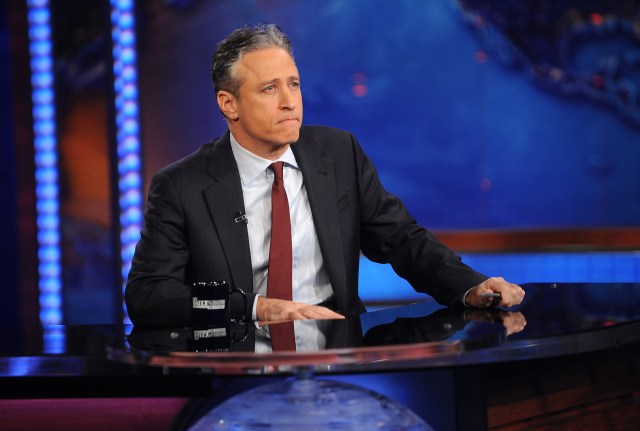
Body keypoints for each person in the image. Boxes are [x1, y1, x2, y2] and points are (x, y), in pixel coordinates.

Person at [125, 24, 525, 326]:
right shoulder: (182, 186)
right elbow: (149, 295)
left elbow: (402, 239)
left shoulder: (338, 154)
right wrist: (254, 307)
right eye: (269, 89)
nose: (290, 102)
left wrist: (469, 286)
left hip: (337, 349)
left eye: (294, 84)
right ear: (229, 104)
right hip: (238, 356)